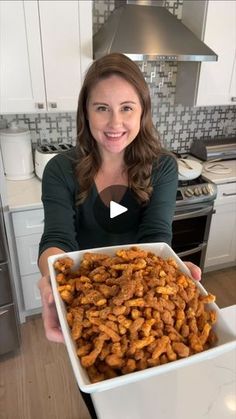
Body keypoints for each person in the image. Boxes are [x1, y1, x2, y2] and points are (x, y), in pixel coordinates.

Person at [38, 52, 201, 419]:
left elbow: (157, 236)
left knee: (162, 404)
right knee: (106, 406)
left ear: (142, 112)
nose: (115, 122)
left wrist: (173, 271)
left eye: (127, 107)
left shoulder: (162, 167)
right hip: (88, 307)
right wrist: (51, 280)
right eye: (102, 108)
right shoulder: (61, 170)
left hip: (146, 304)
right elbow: (57, 239)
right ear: (86, 113)